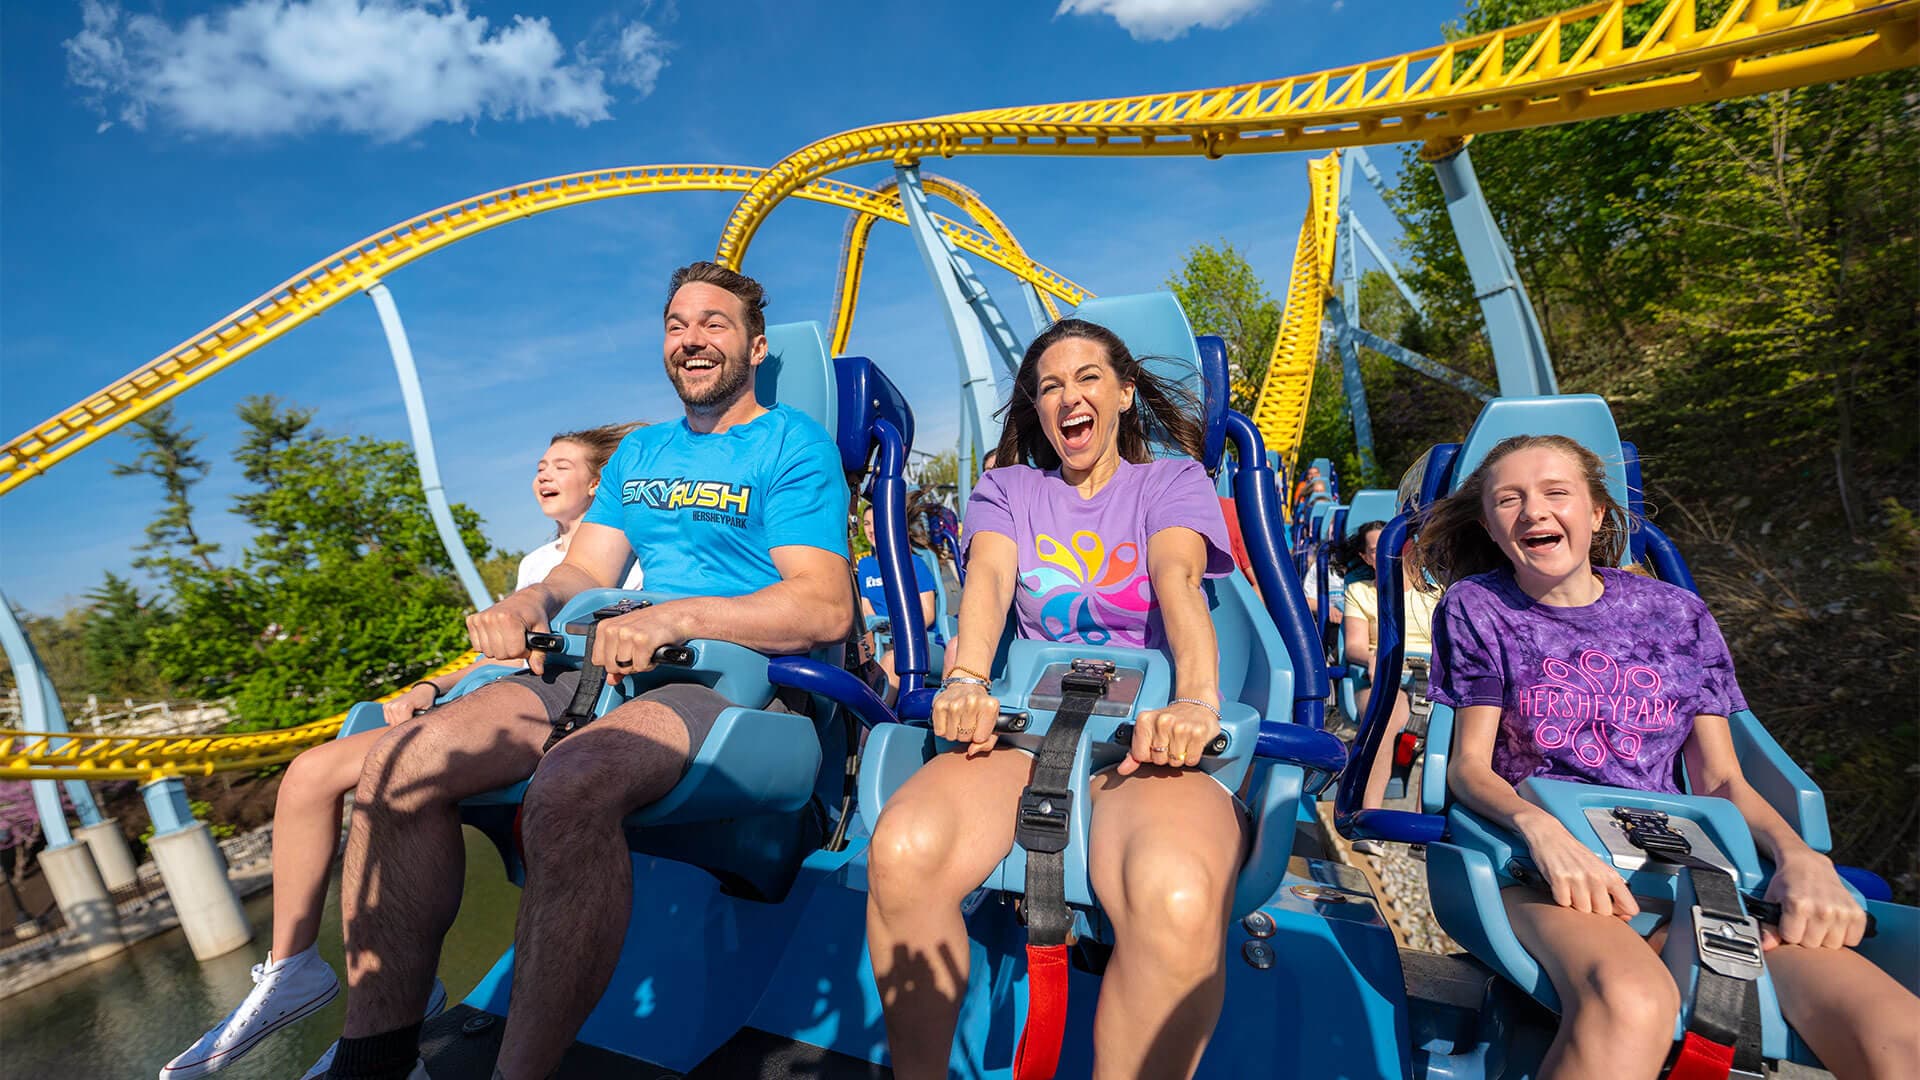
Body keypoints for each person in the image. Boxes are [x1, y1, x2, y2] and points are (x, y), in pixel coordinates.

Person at [320, 263, 853, 1080]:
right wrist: (529, 600)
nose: (692, 338)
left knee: (567, 788)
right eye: (677, 324)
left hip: (725, 678)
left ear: (755, 344)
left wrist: (675, 616)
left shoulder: (791, 444)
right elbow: (583, 573)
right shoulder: (640, 452)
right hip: (591, 662)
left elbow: (822, 607)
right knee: (397, 765)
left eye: (714, 323)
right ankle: (374, 1057)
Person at [1419, 434, 1918, 1080]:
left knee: (1898, 1035)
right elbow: (1469, 768)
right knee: (1633, 1003)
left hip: (1685, 871)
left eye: (1555, 493)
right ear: (1488, 524)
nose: (1533, 512)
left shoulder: (1679, 616)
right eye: (1508, 500)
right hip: (1543, 871)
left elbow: (1721, 780)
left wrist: (1801, 858)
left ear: (1598, 513)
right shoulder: (1479, 608)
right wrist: (1539, 829)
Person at [159, 423, 642, 1080]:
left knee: (404, 771)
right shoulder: (538, 566)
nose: (543, 474)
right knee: (307, 774)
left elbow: (586, 642)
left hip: (554, 699)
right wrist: (427, 683)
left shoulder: (627, 552)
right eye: (538, 464)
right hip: (487, 691)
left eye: (562, 464)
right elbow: (489, 657)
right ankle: (293, 968)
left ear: (600, 481)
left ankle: (389, 1026)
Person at [865, 318, 1241, 1079]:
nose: (1069, 397)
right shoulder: (1006, 489)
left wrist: (1197, 702)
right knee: (905, 850)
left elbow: (1178, 586)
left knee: (1174, 895)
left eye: (1089, 378)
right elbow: (992, 585)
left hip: (1140, 734)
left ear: (1126, 394)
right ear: (1037, 411)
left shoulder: (1172, 482)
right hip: (1029, 723)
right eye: (1049, 387)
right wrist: (967, 680)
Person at [1338, 520, 1441, 844]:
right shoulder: (1361, 592)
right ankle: (1371, 818)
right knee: (1383, 721)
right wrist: (1371, 658)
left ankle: (1427, 828)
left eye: (1395, 548)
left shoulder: (1435, 593)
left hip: (1430, 675)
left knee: (1448, 733)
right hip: (1385, 674)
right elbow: (1354, 644)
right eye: (1376, 550)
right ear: (1367, 557)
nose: (1389, 555)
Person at [855, 499, 940, 697]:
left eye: (876, 522)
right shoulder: (865, 567)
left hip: (918, 644)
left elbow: (927, 615)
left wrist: (894, 629)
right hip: (879, 642)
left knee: (892, 660)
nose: (871, 530)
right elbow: (867, 613)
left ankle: (875, 722)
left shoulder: (914, 564)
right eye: (866, 524)